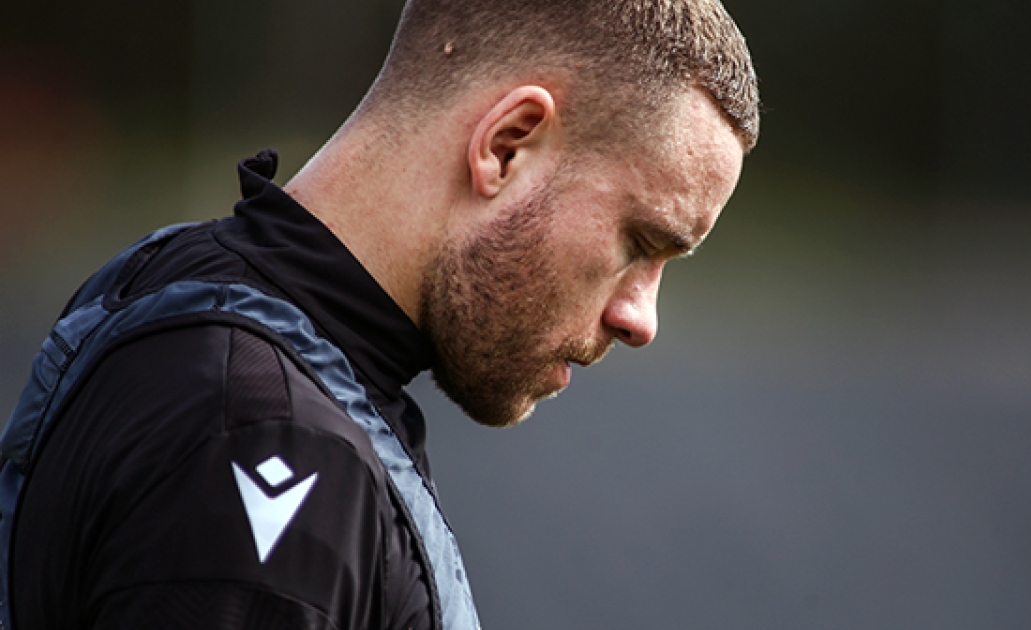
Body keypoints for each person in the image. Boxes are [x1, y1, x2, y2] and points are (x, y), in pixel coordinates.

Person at [0, 0, 759, 628]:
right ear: (507, 145)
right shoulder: (264, 437)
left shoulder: (179, 291)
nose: (640, 319)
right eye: (640, 243)